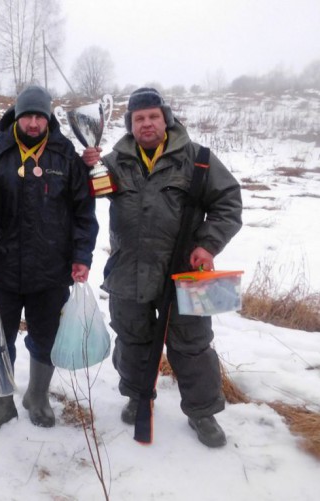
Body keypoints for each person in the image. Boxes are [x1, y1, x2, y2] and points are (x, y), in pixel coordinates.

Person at [82, 87, 243, 448]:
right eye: (139, 119)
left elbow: (228, 201)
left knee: (193, 346)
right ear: (131, 125)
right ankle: (138, 397)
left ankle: (202, 412)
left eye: (153, 116)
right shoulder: (113, 162)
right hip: (128, 271)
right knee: (132, 341)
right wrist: (84, 166)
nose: (147, 123)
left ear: (165, 119)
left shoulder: (197, 159)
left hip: (185, 273)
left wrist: (208, 244)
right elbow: (81, 196)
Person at [0, 85, 99, 435]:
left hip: (51, 271)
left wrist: (82, 255)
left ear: (49, 117)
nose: (34, 123)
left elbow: (84, 212)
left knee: (47, 335)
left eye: (40, 116)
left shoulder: (67, 155)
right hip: (1, 270)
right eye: (27, 116)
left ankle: (37, 397)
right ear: (16, 116)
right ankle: (0, 402)